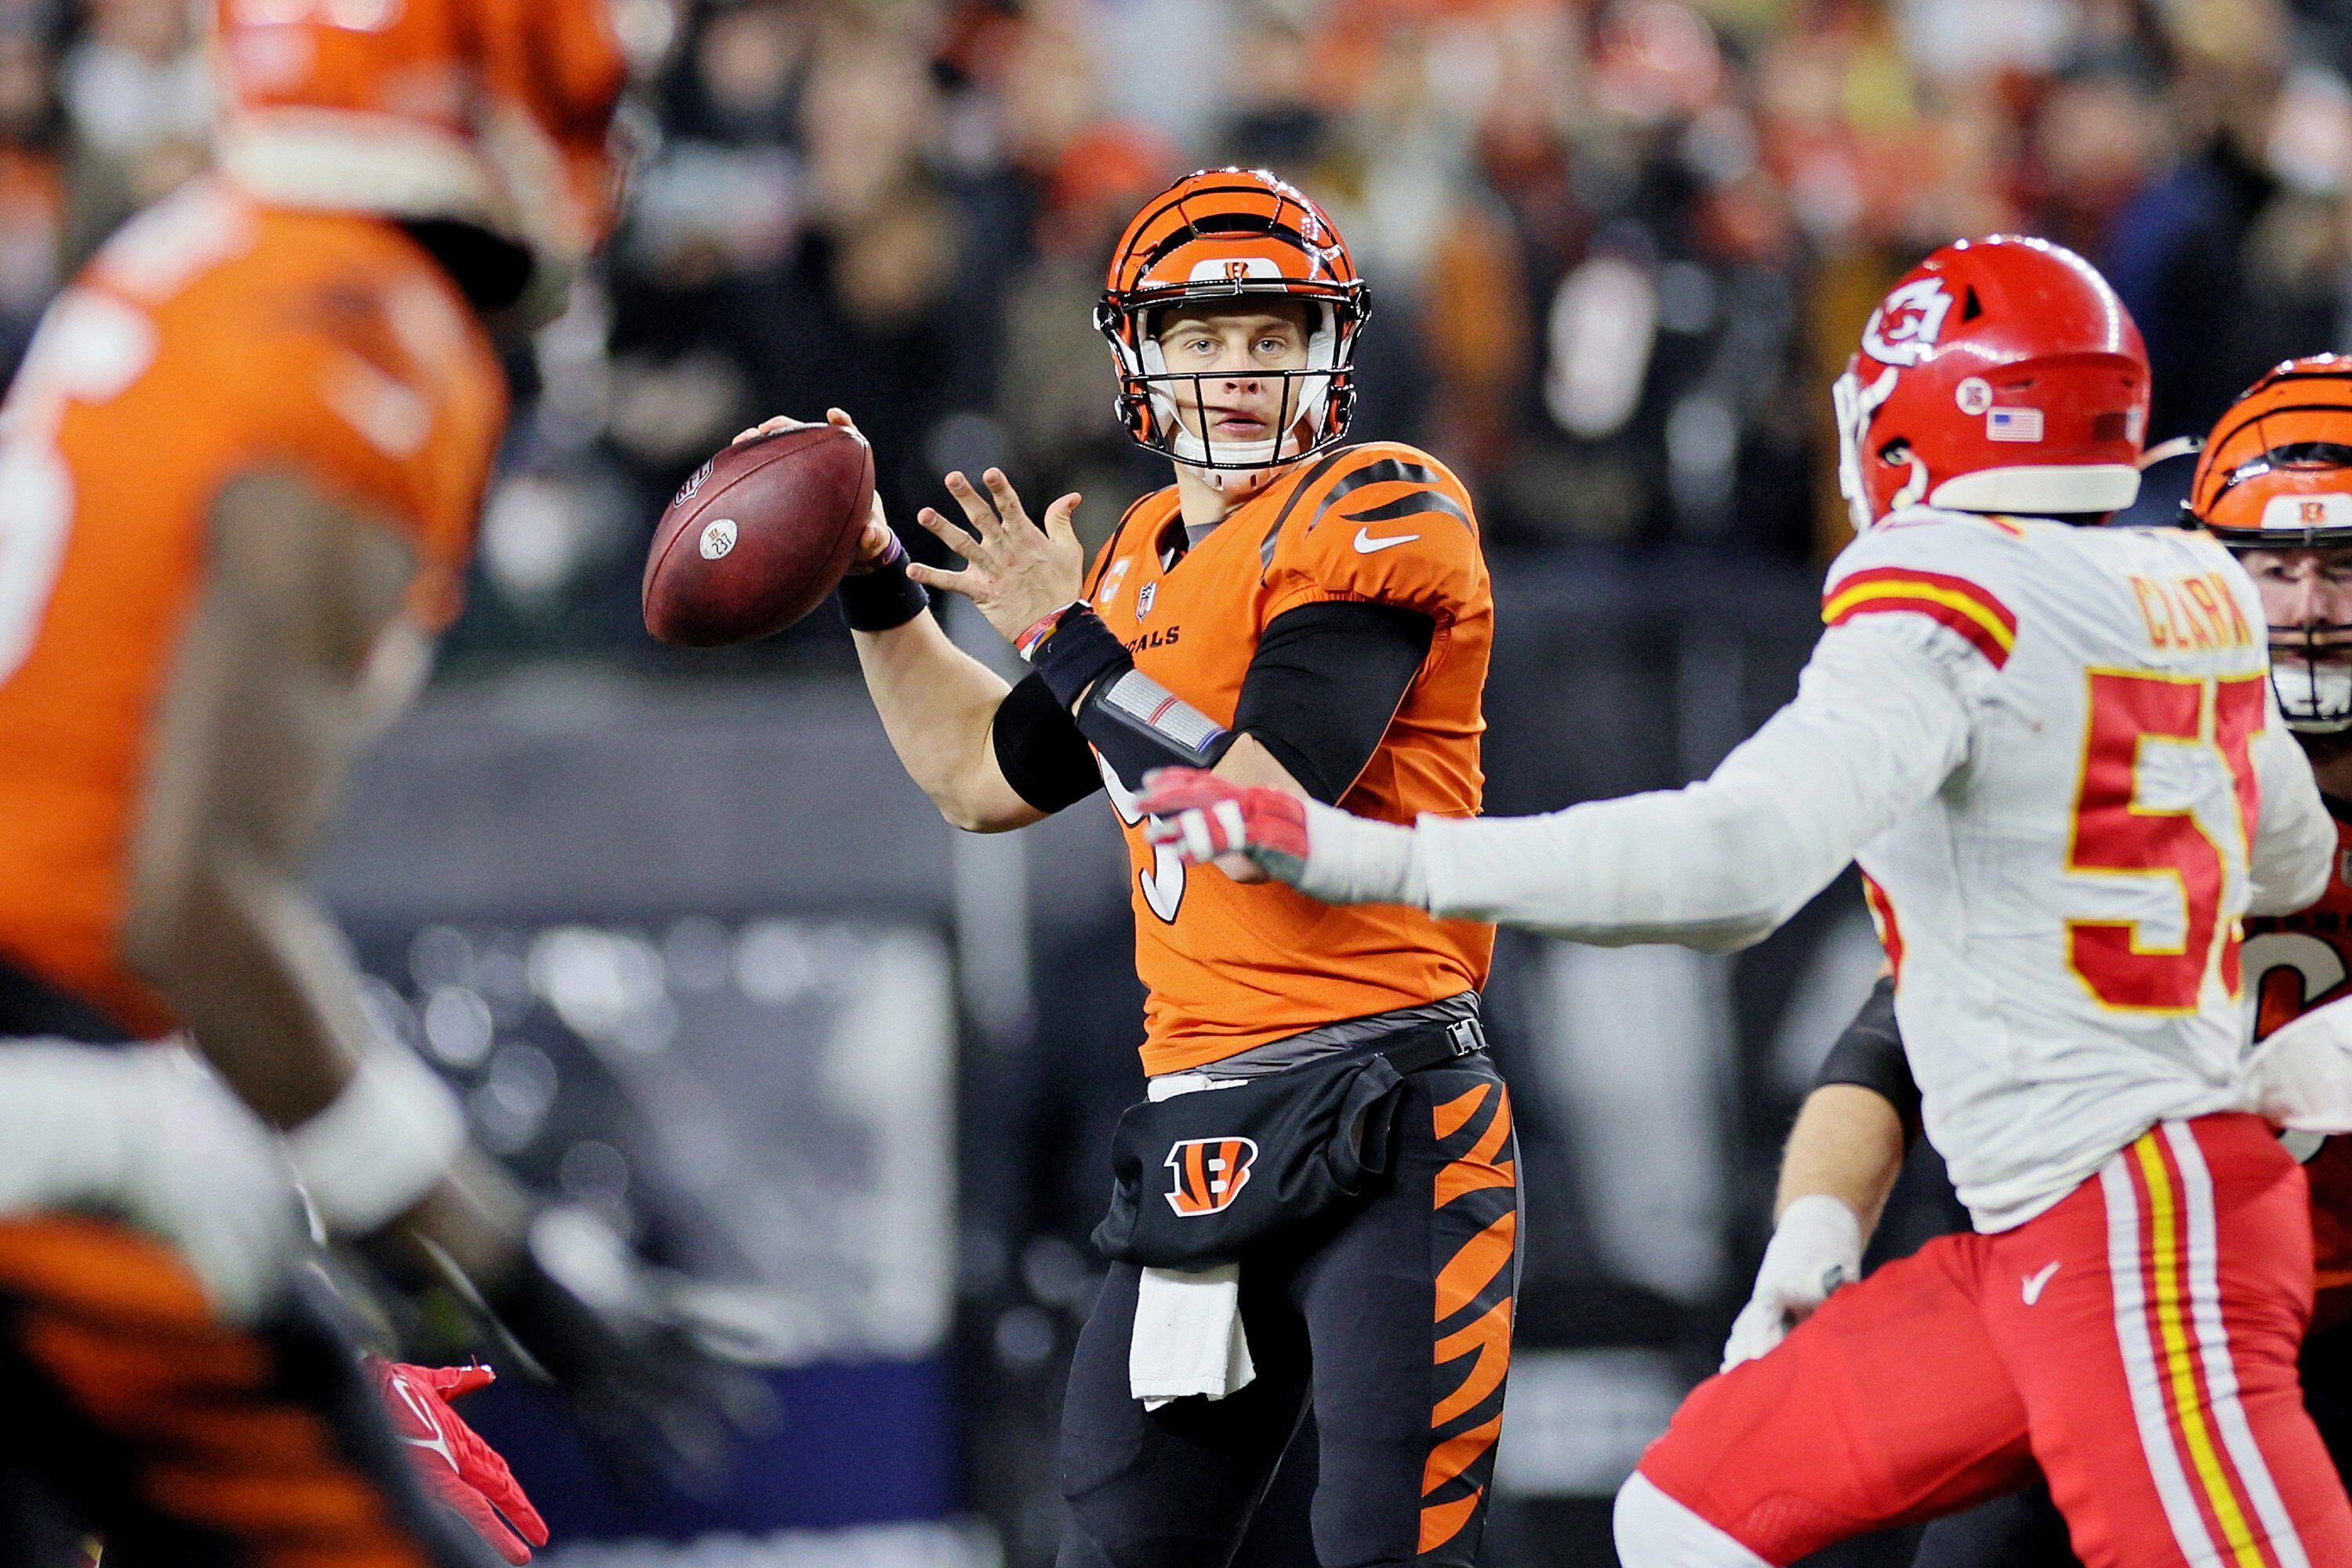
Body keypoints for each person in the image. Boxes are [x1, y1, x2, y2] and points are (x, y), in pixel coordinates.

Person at [1139, 235, 2352, 1566]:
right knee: (1688, 1517)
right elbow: (2288, 860)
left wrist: (1365, 856)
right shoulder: (2186, 593)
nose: (2306, 604)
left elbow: (1733, 868)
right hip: (2044, 1226)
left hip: (2137, 1227)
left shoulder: (1954, 593)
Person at [0, 0, 713, 1559]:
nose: (611, 122)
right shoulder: (361, 324)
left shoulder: (194, 254)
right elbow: (186, 899)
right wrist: (489, 1244)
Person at [745, 167, 1516, 1568]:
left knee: (1387, 1552)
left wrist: (1062, 637)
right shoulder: (1140, 558)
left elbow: (1257, 816)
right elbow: (979, 778)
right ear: (1140, 360)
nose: (1238, 370)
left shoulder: (1385, 502)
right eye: (1203, 338)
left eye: (1272, 335)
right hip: (1199, 1133)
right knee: (1114, 1545)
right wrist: (870, 582)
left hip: (1388, 1111)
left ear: (1332, 350)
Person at [1720, 353, 2352, 1568]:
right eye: (2275, 568)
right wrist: (1813, 1228)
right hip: (2115, 1306)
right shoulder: (2128, 739)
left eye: (2342, 567)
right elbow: (1902, 1026)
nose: (2308, 608)